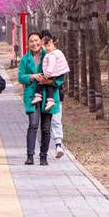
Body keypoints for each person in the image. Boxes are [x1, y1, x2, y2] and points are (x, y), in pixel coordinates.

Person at [18, 31, 64, 166]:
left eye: (36, 40)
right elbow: (21, 76)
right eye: (31, 41)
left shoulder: (51, 55)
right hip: (32, 96)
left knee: (46, 127)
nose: (34, 43)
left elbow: (60, 77)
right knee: (33, 124)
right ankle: (30, 156)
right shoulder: (25, 59)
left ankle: (43, 156)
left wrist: (49, 82)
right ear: (28, 44)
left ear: (41, 41)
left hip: (48, 96)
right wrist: (32, 76)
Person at [40, 29, 66, 158]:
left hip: (56, 94)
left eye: (47, 42)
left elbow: (61, 78)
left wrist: (50, 82)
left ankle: (58, 145)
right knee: (41, 124)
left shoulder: (56, 55)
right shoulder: (40, 57)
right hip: (40, 95)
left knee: (56, 120)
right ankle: (42, 150)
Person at [32, 32, 69, 110]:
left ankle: (40, 96)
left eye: (48, 45)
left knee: (56, 121)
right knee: (44, 83)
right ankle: (41, 97)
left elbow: (59, 78)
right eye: (45, 46)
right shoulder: (50, 53)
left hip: (56, 90)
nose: (47, 48)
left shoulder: (52, 54)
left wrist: (47, 76)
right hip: (51, 79)